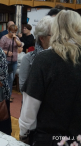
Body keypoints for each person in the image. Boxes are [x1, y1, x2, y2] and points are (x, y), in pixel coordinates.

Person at [19, 10, 81, 145]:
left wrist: (24, 134)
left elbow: (30, 107)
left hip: (50, 139)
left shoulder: (45, 59)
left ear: (56, 30)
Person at [19, 16, 54, 90]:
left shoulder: (59, 57)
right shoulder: (28, 58)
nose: (56, 38)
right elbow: (23, 87)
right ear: (42, 38)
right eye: (53, 35)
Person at [0, 25, 22, 100]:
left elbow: (20, 45)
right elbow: (0, 49)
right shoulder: (4, 38)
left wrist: (15, 39)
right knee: (8, 78)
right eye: (12, 32)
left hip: (14, 61)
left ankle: (8, 95)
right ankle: (6, 95)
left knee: (11, 79)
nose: (13, 33)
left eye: (15, 32)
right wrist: (7, 52)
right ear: (8, 30)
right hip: (6, 61)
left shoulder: (16, 38)